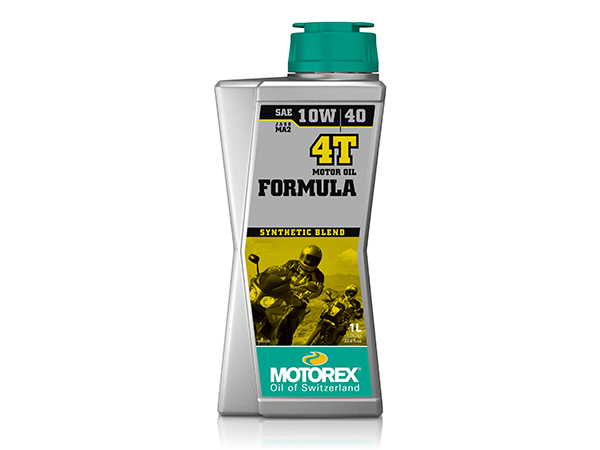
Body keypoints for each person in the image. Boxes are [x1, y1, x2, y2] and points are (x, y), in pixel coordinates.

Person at [261, 245, 325, 345]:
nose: (310, 262)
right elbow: (278, 272)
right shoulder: (291, 264)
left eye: (314, 260)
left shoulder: (318, 275)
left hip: (298, 303)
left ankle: (284, 350)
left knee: (289, 323)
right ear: (302, 256)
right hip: (280, 295)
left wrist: (305, 295)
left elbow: (318, 290)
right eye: (308, 258)